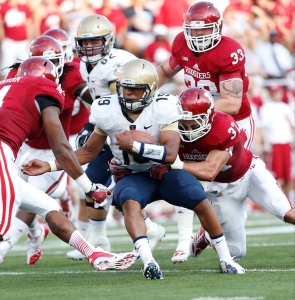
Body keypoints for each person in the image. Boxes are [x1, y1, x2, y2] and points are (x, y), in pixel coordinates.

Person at [22, 59, 245, 279]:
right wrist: (50, 165)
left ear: (150, 90)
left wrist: (135, 146)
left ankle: (226, 258)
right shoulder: (107, 109)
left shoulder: (164, 106)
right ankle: (149, 261)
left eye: (134, 89)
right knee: (129, 201)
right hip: (132, 174)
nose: (126, 93)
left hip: (165, 171)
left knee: (197, 196)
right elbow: (88, 153)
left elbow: (170, 154)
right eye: (124, 88)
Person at [0, 57, 137, 270]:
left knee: (50, 206)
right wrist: (89, 188)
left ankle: (95, 255)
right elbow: (61, 147)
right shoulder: (43, 87)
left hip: (4, 152)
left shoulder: (2, 86)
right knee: (1, 229)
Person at [156, 1, 255, 263]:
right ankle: (193, 236)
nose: (198, 36)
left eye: (205, 30)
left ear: (218, 27)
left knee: (226, 188)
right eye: (194, 30)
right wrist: (143, 89)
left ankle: (206, 234)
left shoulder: (229, 51)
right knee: (187, 177)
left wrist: (186, 110)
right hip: (192, 125)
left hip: (231, 123)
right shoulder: (181, 43)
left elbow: (232, 103)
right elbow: (165, 71)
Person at [153, 87, 294, 262]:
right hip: (223, 189)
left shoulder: (223, 125)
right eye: (184, 123)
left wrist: (174, 163)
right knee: (236, 252)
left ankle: (205, 234)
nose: (189, 129)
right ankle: (204, 236)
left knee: (288, 213)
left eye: (195, 123)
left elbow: (210, 171)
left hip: (250, 173)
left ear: (209, 116)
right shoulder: (172, 130)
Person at [67, 14, 166, 261]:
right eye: (85, 42)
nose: (88, 47)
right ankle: (100, 239)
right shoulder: (84, 64)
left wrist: (95, 126)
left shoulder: (117, 63)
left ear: (109, 40)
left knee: (115, 188)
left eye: (94, 42)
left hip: (130, 129)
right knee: (92, 183)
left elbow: (120, 103)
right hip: (111, 129)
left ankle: (149, 230)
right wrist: (94, 121)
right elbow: (99, 98)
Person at [0, 34, 94, 266]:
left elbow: (93, 100)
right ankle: (37, 233)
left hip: (51, 150)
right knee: (16, 196)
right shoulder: (26, 78)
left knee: (29, 199)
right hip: (22, 146)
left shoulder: (70, 74)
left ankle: (3, 250)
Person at [258, 84, 295, 199]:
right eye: (273, 92)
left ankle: (288, 200)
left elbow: (292, 126)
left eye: (278, 92)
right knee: (276, 175)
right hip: (274, 143)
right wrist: (261, 144)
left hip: (286, 143)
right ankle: (276, 200)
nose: (276, 95)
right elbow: (262, 127)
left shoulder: (286, 107)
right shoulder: (266, 107)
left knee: (288, 175)